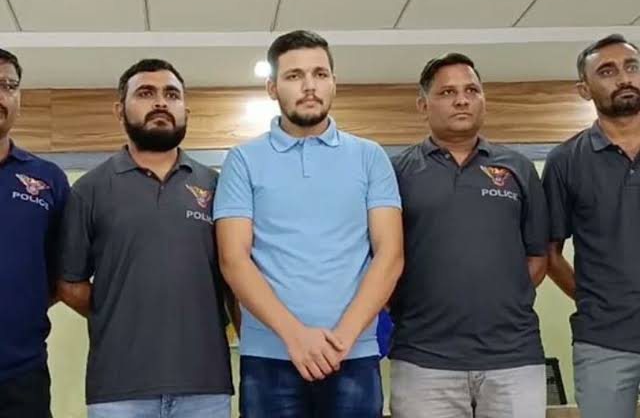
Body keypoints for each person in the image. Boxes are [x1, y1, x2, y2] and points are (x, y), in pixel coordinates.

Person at [214, 30, 403, 417]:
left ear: (334, 82)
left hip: (353, 353)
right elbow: (234, 259)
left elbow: (390, 255)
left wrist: (342, 340)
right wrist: (295, 337)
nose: (309, 86)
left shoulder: (370, 157)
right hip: (269, 356)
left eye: (320, 74)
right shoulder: (243, 160)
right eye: (294, 75)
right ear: (272, 87)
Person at [57, 59, 233, 418]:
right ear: (119, 110)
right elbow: (69, 284)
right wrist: (120, 309)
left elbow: (235, 276)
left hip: (206, 388)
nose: (161, 102)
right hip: (118, 391)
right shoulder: (89, 190)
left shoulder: (218, 186)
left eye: (172, 94)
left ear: (186, 111)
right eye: (146, 93)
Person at [390, 52, 548, 418]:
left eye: (472, 90)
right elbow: (381, 258)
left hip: (514, 357)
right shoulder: (396, 172)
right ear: (423, 105)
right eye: (447, 92)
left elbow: (538, 257)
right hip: (423, 359)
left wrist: (498, 298)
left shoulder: (518, 168)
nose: (462, 100)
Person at [543, 34, 640, 418]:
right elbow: (549, 253)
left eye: (632, 67)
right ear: (584, 89)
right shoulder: (566, 161)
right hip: (603, 340)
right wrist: (590, 299)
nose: (624, 78)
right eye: (607, 71)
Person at [0, 48, 69, 418]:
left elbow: (62, 274)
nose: (0, 95)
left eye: (8, 85)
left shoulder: (47, 179)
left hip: (22, 375)